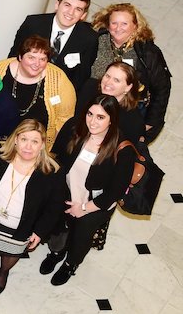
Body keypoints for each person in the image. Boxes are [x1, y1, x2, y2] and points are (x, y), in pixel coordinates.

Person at [42, 95, 137, 285]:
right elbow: (57, 157)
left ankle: (70, 264)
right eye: (90, 114)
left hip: (95, 204)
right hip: (67, 193)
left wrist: (84, 208)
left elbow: (115, 192)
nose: (92, 121)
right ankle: (57, 252)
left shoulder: (122, 149)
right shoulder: (73, 127)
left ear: (112, 120)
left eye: (100, 117)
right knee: (59, 227)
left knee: (81, 237)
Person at [0, 120, 64, 295]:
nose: (28, 147)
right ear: (15, 140)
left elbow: (54, 207)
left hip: (21, 228)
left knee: (9, 256)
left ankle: (3, 272)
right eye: (24, 139)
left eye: (35, 141)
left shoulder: (51, 171)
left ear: (42, 144)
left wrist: (39, 232)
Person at [89, 2, 171, 141]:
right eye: (114, 23)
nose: (118, 28)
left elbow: (162, 89)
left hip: (130, 109)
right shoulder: (96, 41)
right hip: (94, 105)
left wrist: (150, 122)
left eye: (124, 24)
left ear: (135, 26)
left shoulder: (148, 52)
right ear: (108, 25)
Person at [11, 0, 97, 93]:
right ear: (57, 5)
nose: (71, 12)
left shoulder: (89, 39)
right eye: (67, 5)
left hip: (57, 93)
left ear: (83, 15)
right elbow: (14, 56)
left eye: (78, 9)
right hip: (22, 85)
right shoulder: (33, 24)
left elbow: (81, 77)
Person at [0, 36, 76, 148]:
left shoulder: (59, 79)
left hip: (33, 149)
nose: (37, 64)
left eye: (42, 59)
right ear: (20, 57)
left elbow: (65, 119)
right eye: (31, 57)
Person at [76, 61, 144, 142]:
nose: (108, 83)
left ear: (128, 87)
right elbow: (76, 121)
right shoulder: (89, 87)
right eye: (107, 76)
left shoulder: (132, 121)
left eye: (116, 80)